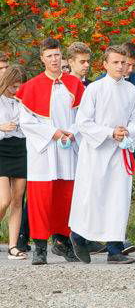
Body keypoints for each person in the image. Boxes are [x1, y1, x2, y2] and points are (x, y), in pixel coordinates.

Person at [68, 46, 135, 265]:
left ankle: (114, 249)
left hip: (119, 152)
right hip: (96, 153)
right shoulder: (94, 89)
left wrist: (128, 130)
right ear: (104, 64)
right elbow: (83, 123)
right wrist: (109, 132)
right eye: (115, 62)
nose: (120, 66)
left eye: (123, 62)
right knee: (93, 198)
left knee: (118, 199)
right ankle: (78, 236)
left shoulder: (131, 91)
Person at [16, 37, 86, 265]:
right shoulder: (31, 87)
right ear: (42, 59)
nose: (54, 60)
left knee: (65, 197)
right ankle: (39, 247)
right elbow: (27, 122)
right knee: (40, 198)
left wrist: (72, 132)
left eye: (57, 55)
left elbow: (83, 117)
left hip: (67, 149)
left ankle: (62, 242)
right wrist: (54, 133)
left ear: (62, 56)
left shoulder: (74, 85)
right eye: (49, 56)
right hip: (43, 152)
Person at [0, 64, 28, 260]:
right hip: (1, 149)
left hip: (21, 149)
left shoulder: (24, 101)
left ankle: (13, 245)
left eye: (19, 86)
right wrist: (1, 127)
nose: (15, 90)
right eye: (12, 86)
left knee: (18, 200)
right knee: (4, 200)